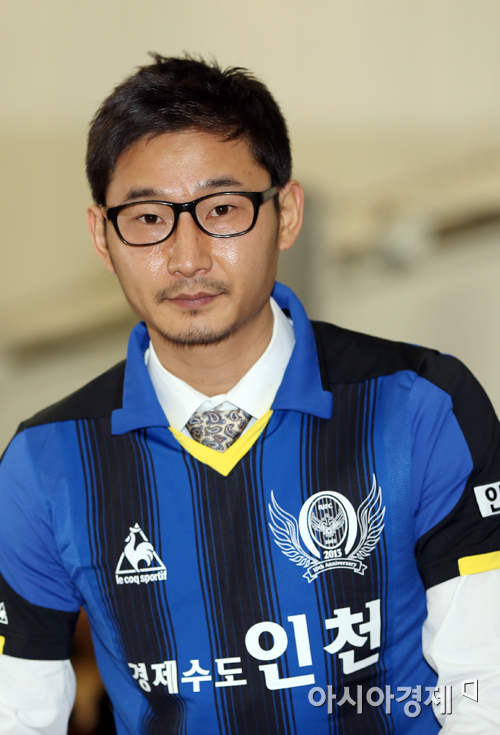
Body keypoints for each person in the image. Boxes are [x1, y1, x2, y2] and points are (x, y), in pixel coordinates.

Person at [0, 54, 499, 735]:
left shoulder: (419, 406)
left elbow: (484, 690)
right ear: (102, 235)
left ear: (285, 213)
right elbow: (17, 713)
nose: (187, 257)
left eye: (222, 209)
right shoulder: (46, 463)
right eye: (147, 218)